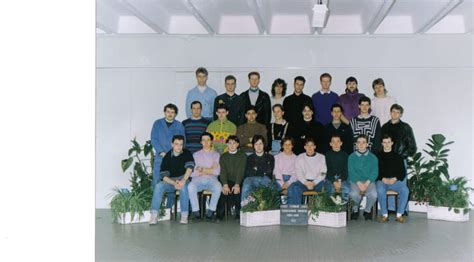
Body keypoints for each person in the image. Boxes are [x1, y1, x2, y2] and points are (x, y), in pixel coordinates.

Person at [149, 135, 194, 225]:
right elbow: (164, 176)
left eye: (181, 144)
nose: (179, 147)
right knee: (159, 186)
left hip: (183, 178)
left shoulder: (187, 153)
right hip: (171, 181)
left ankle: (184, 216)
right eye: (176, 144)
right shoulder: (167, 156)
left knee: (184, 187)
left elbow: (189, 168)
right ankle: (153, 215)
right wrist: (174, 182)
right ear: (172, 144)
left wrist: (183, 181)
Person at [381, 103, 417, 213]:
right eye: (393, 111)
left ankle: (403, 209)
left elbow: (412, 147)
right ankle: (391, 208)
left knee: (401, 183)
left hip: (401, 160)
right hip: (387, 159)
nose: (395, 114)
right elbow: (380, 143)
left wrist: (401, 156)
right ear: (390, 112)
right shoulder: (385, 127)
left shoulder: (406, 127)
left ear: (400, 114)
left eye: (397, 112)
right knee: (388, 182)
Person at [187, 132, 222, 221]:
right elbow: (192, 172)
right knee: (190, 186)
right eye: (204, 140)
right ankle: (196, 214)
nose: (206, 142)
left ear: (211, 142)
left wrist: (201, 169)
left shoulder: (216, 155)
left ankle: (210, 213)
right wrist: (209, 170)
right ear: (201, 142)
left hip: (212, 180)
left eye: (208, 140)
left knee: (218, 187)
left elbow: (217, 171)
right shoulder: (195, 155)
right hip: (197, 180)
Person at [376, 135, 409, 223]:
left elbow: (402, 172)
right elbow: (375, 171)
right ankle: (384, 215)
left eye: (388, 142)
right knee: (379, 189)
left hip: (394, 181)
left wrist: (395, 178)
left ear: (392, 143)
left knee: (405, 190)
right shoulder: (377, 156)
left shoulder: (398, 156)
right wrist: (382, 179)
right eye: (384, 142)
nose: (386, 144)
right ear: (382, 143)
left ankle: (399, 215)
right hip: (382, 180)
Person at [287, 137, 330, 205]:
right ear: (304, 147)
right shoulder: (299, 157)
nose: (309, 148)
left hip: (318, 183)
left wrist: (314, 182)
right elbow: (298, 173)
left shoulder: (322, 157)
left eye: (311, 145)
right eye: (307, 145)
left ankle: (327, 211)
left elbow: (323, 172)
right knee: (292, 188)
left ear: (315, 147)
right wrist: (306, 182)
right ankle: (296, 212)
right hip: (304, 183)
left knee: (329, 187)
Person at [151, 103, 185, 187]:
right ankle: (155, 200)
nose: (170, 114)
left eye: (172, 112)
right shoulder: (157, 123)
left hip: (173, 159)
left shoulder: (179, 125)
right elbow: (154, 139)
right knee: (156, 182)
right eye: (168, 112)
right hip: (160, 157)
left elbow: (183, 142)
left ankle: (170, 201)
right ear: (164, 112)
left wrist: (176, 155)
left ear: (175, 114)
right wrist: (161, 152)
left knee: (171, 184)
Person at [216, 136, 247, 220]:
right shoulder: (223, 156)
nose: (232, 145)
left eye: (234, 143)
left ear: (237, 144)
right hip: (227, 179)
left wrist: (237, 184)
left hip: (238, 179)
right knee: (224, 191)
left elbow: (241, 171)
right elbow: (223, 172)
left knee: (237, 192)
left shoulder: (242, 156)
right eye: (230, 143)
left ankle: (239, 214)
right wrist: (225, 184)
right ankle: (219, 215)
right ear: (227, 144)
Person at [348, 135, 378, 221]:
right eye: (359, 142)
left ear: (367, 144)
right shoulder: (351, 157)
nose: (361, 144)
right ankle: (355, 210)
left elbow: (374, 172)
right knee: (354, 194)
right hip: (355, 181)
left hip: (369, 181)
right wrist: (358, 182)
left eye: (363, 142)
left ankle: (367, 210)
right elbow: (351, 171)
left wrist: (367, 183)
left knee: (373, 194)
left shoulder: (373, 157)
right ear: (356, 144)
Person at [240, 135, 275, 202]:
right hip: (252, 179)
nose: (258, 146)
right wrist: (262, 169)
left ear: (264, 145)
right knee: (246, 183)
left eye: (260, 143)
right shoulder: (249, 158)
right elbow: (248, 173)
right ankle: (244, 207)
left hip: (265, 179)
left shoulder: (270, 157)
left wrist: (256, 168)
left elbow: (269, 171)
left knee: (269, 185)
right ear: (253, 146)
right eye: (256, 144)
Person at [325, 134, 350, 201]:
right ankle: (333, 209)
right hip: (330, 179)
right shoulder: (327, 155)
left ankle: (343, 209)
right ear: (330, 144)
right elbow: (328, 170)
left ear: (341, 143)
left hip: (342, 178)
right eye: (333, 141)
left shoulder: (345, 155)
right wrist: (334, 181)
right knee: (331, 189)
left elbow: (345, 171)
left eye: (338, 141)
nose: (336, 144)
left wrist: (339, 181)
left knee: (346, 189)